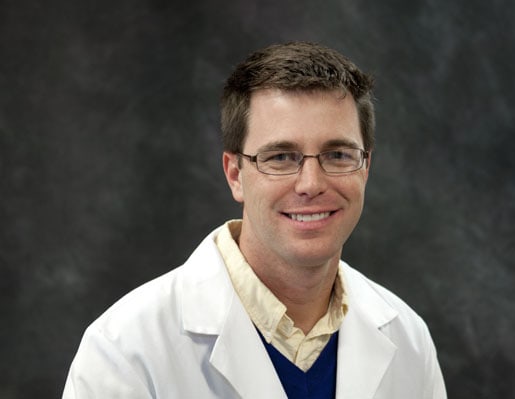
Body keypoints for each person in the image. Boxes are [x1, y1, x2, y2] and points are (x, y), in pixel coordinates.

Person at [62, 41, 447, 398]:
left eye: (338, 155)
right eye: (280, 157)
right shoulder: (125, 350)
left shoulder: (409, 340)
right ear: (235, 175)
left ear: (365, 168)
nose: (311, 184)